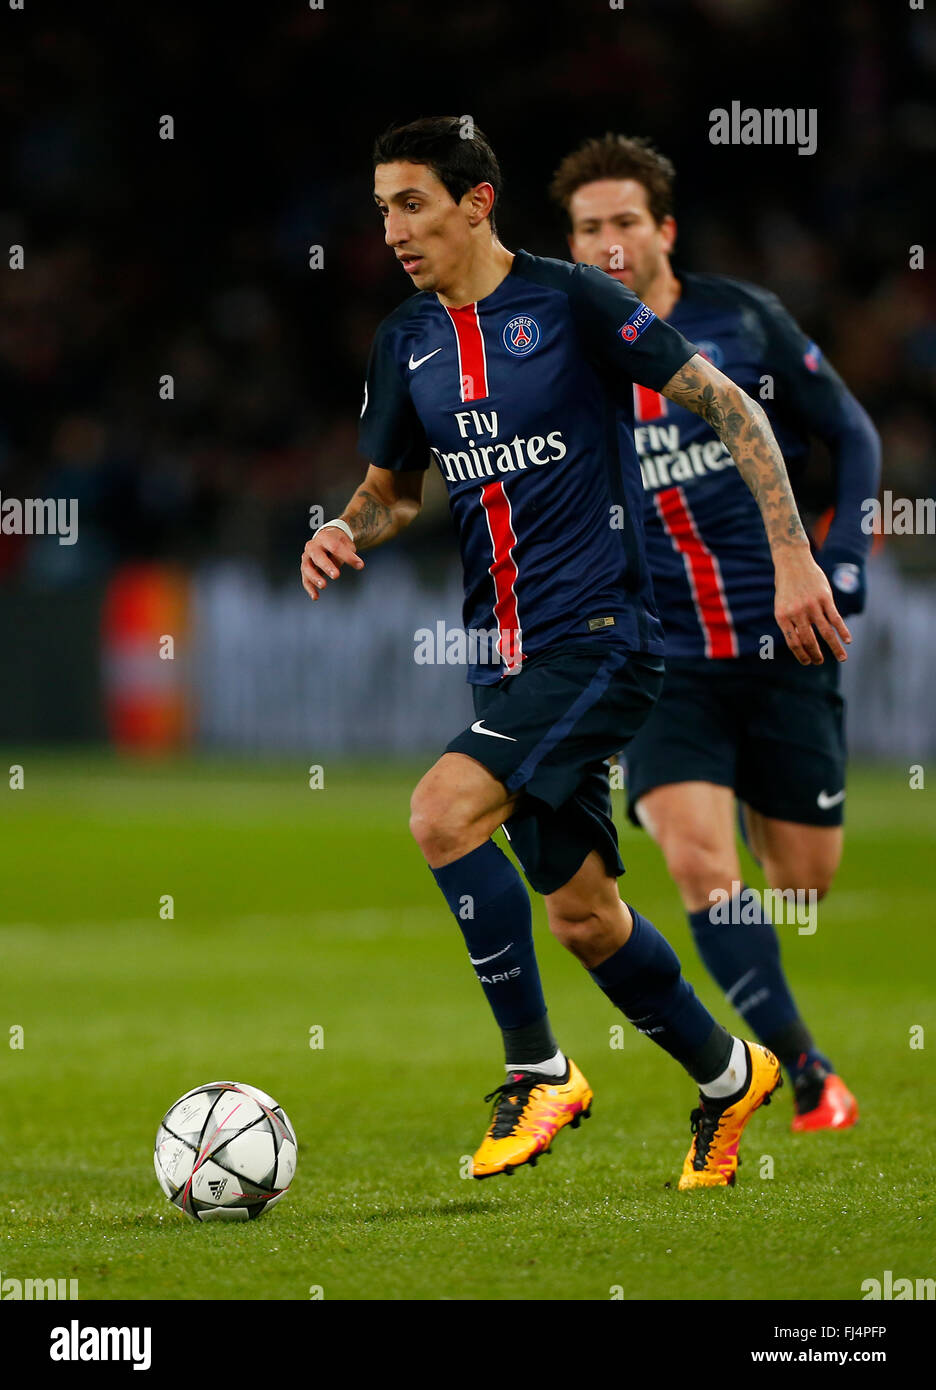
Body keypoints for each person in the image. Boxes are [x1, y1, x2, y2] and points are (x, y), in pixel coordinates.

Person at [301, 117, 851, 1188]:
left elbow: (730, 405)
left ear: (476, 202)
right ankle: (728, 1072)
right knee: (585, 914)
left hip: (603, 632)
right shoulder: (405, 338)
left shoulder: (571, 301)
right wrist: (340, 528)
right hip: (502, 652)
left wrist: (796, 559)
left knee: (441, 812)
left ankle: (539, 1067)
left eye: (411, 202)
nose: (393, 229)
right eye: (380, 209)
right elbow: (391, 494)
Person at [551, 132, 880, 1129]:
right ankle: (806, 1073)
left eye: (623, 223)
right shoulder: (564, 348)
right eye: (586, 229)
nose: (607, 243)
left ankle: (741, 804)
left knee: (802, 885)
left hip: (785, 644)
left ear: (664, 230)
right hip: (664, 660)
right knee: (700, 863)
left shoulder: (741, 321)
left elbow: (851, 430)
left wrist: (846, 549)